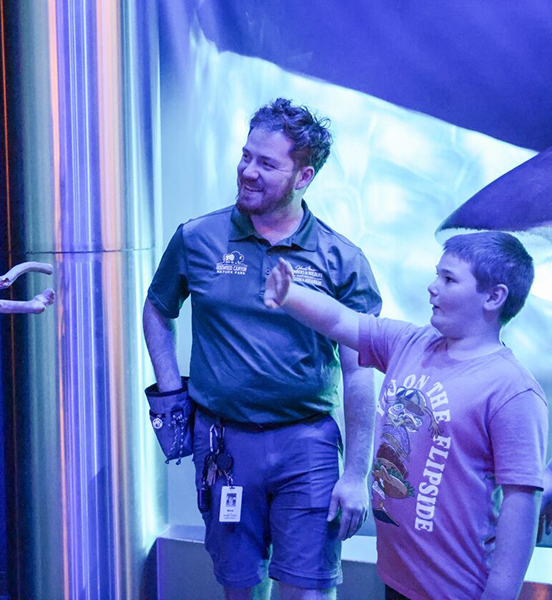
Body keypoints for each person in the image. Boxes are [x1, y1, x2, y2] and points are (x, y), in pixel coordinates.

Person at [143, 98, 382, 600]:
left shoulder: (343, 260)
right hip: (223, 446)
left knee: (307, 592)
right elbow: (158, 309)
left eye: (267, 163)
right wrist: (171, 394)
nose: (248, 171)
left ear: (304, 176)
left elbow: (360, 372)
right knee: (239, 588)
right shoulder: (197, 238)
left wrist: (357, 473)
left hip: (308, 445)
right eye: (246, 156)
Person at [264, 231, 548, 599]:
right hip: (398, 579)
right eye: (437, 275)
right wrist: (290, 295)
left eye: (449, 279)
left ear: (494, 297)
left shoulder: (512, 390)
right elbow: (341, 321)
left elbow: (521, 503)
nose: (433, 287)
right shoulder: (411, 343)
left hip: (457, 589)